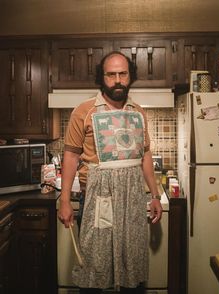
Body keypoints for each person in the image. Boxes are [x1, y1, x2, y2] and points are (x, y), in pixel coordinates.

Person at [58, 51, 163, 294]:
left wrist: (155, 195)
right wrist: (65, 200)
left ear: (130, 76)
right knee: (95, 269)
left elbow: (144, 155)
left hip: (133, 200)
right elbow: (71, 156)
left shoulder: (138, 112)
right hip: (98, 200)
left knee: (132, 271)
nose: (117, 79)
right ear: (101, 77)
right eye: (111, 74)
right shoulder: (83, 112)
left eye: (122, 74)